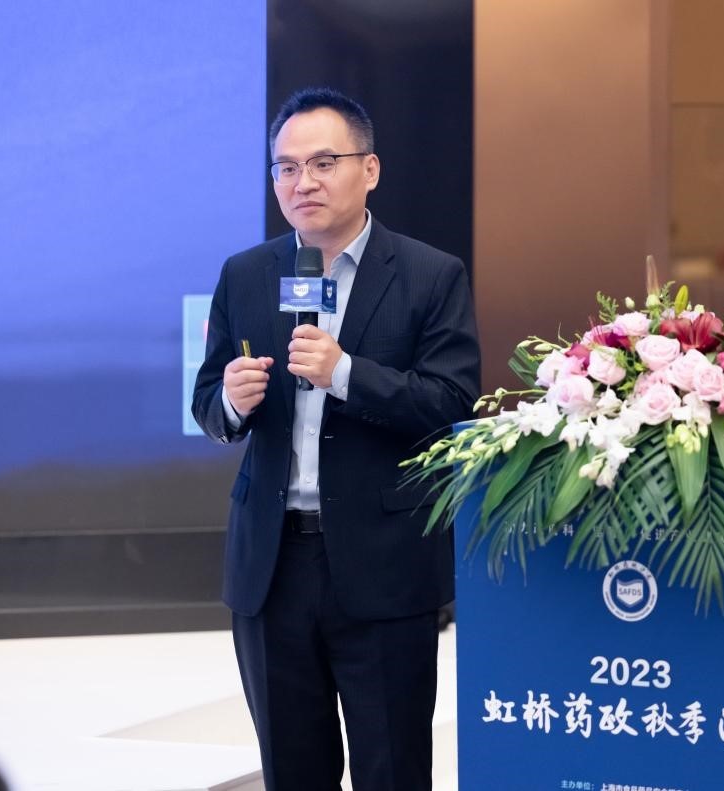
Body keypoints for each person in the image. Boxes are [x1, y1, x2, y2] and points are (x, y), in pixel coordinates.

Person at [191, 86, 481, 790]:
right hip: (271, 566)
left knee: (392, 769)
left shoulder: (429, 275)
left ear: (369, 169)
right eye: (286, 168)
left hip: (382, 565)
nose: (304, 182)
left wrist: (346, 373)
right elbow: (208, 400)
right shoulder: (245, 273)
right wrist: (229, 401)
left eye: (324, 163)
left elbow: (450, 402)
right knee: (292, 771)